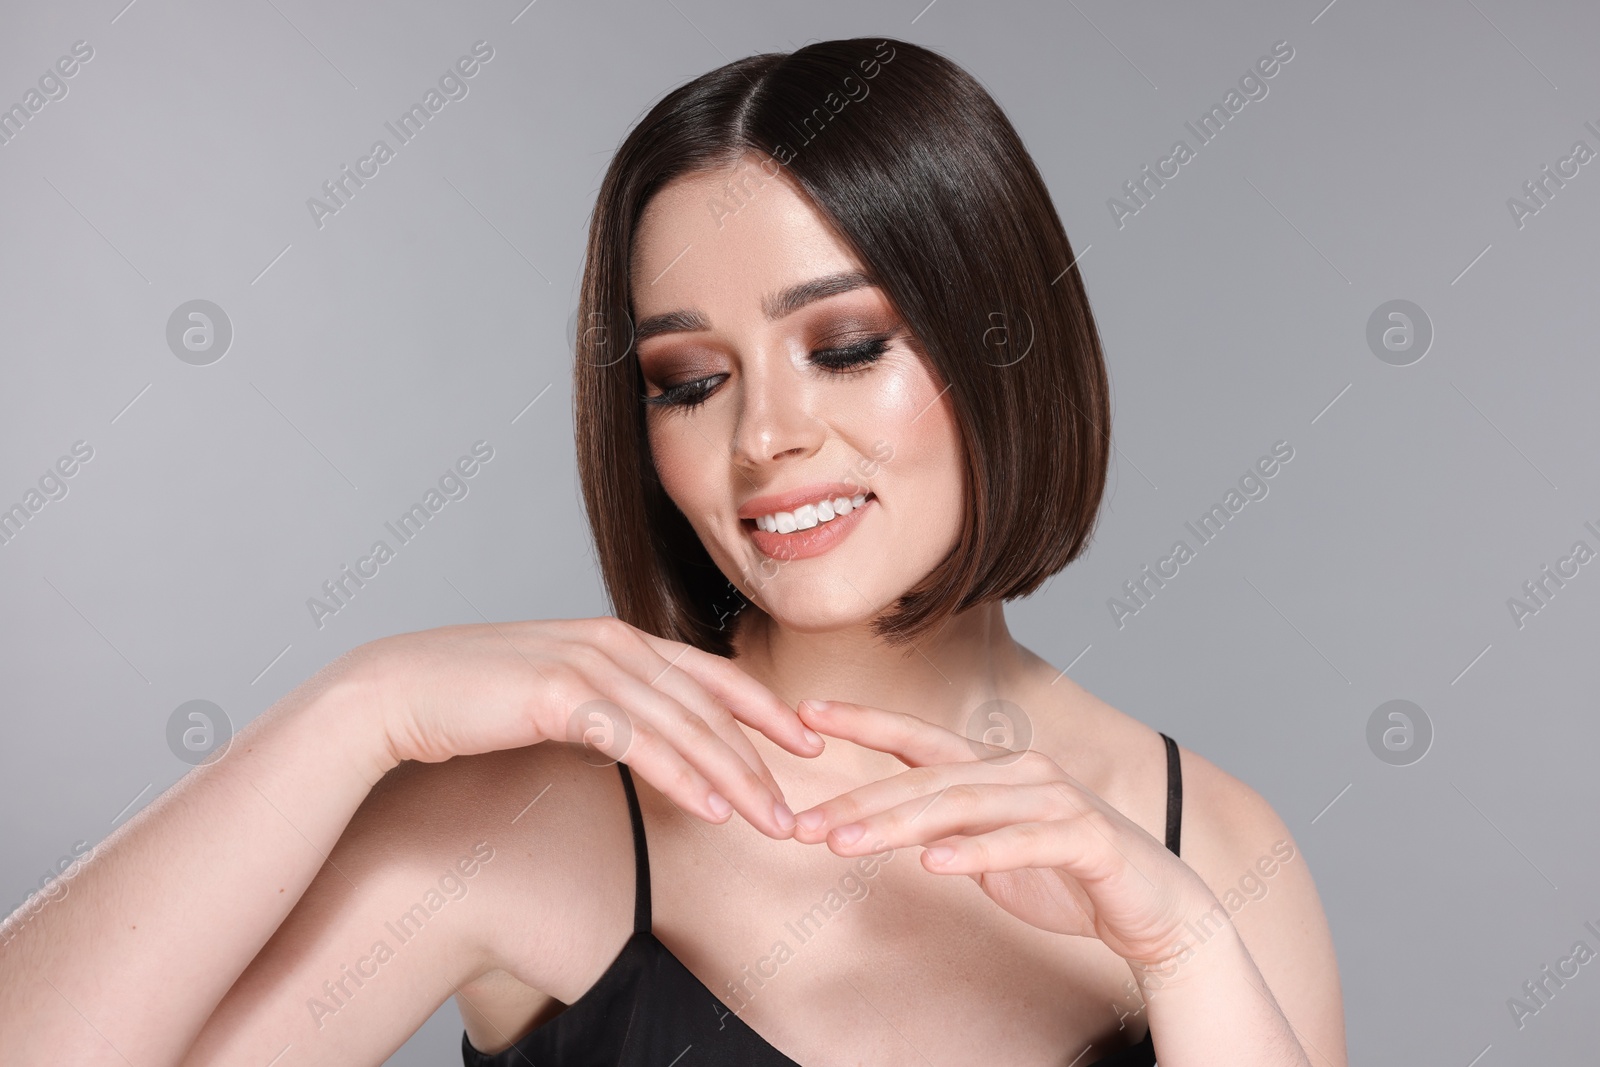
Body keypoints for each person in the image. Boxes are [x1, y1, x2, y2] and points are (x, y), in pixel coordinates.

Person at [0, 37, 1346, 1066]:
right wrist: (360, 710)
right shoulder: (532, 822)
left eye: (846, 348)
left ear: (1003, 342)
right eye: (690, 379)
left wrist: (1177, 944)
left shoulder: (1210, 848)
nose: (766, 437)